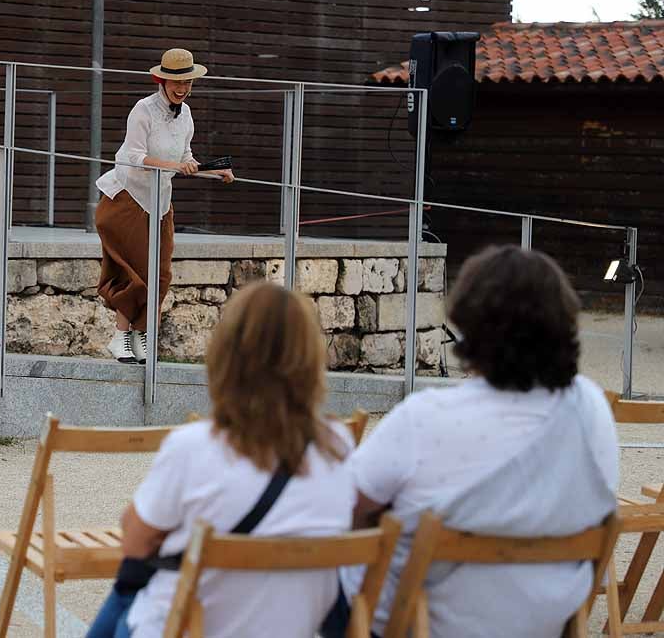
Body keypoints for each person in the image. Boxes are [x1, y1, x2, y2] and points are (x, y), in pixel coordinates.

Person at [322, 245, 619, 638]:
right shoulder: (589, 408)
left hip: (419, 623)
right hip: (539, 623)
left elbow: (345, 509)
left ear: (469, 326)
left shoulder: (426, 418)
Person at [87, 281, 356, 638]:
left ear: (225, 357)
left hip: (185, 627)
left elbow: (135, 543)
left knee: (128, 588)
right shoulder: (338, 448)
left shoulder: (193, 448)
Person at [95, 48, 235, 364]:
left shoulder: (185, 115)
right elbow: (132, 156)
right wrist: (172, 164)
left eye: (187, 82)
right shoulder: (142, 110)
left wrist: (216, 170)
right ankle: (121, 338)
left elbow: (185, 159)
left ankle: (142, 336)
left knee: (161, 274)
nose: (182, 88)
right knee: (135, 272)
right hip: (127, 199)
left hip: (159, 202)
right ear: (161, 79)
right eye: (176, 81)